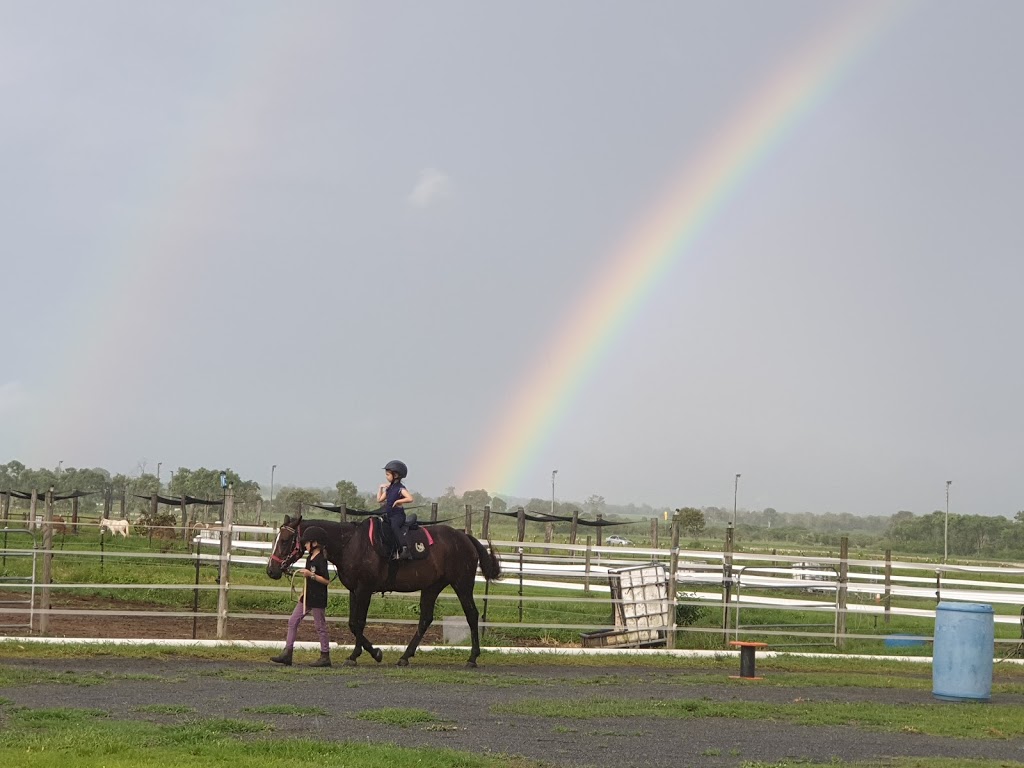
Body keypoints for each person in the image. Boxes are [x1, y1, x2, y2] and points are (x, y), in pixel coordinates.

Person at [270, 526, 332, 667]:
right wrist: (303, 593)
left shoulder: (321, 560)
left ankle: (325, 655)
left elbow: (326, 581)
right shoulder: (310, 558)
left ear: (315, 543)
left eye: (307, 543)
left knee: (320, 626)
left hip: (318, 597)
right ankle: (288, 652)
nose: (305, 545)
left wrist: (312, 575)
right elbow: (307, 580)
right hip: (308, 596)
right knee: (293, 621)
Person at [377, 459, 413, 559]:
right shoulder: (389, 488)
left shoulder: (400, 489)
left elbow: (410, 498)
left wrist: (398, 501)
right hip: (389, 515)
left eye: (388, 474)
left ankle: (405, 548)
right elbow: (380, 499)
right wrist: (380, 488)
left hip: (398, 516)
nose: (386, 476)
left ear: (396, 475)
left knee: (394, 526)